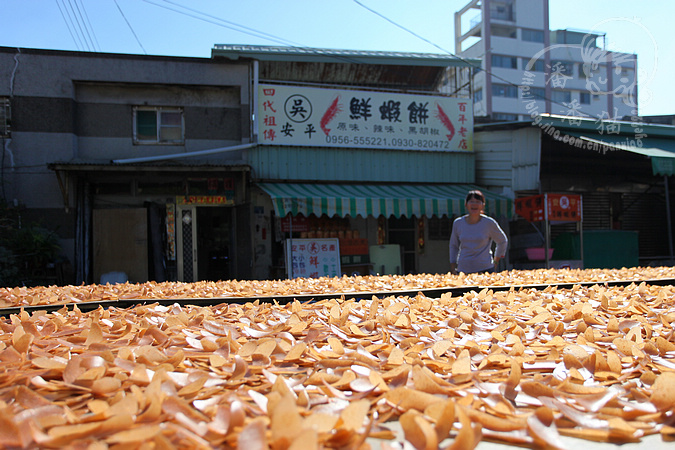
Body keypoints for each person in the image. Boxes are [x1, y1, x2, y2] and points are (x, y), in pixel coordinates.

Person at [449, 190, 508, 274]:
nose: (474, 204)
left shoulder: (489, 223)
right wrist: (452, 266)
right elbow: (453, 245)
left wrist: (496, 261)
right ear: (466, 204)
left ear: (483, 205)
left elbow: (502, 241)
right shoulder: (458, 223)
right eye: (471, 201)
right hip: (463, 270)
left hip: (485, 269)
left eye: (478, 202)